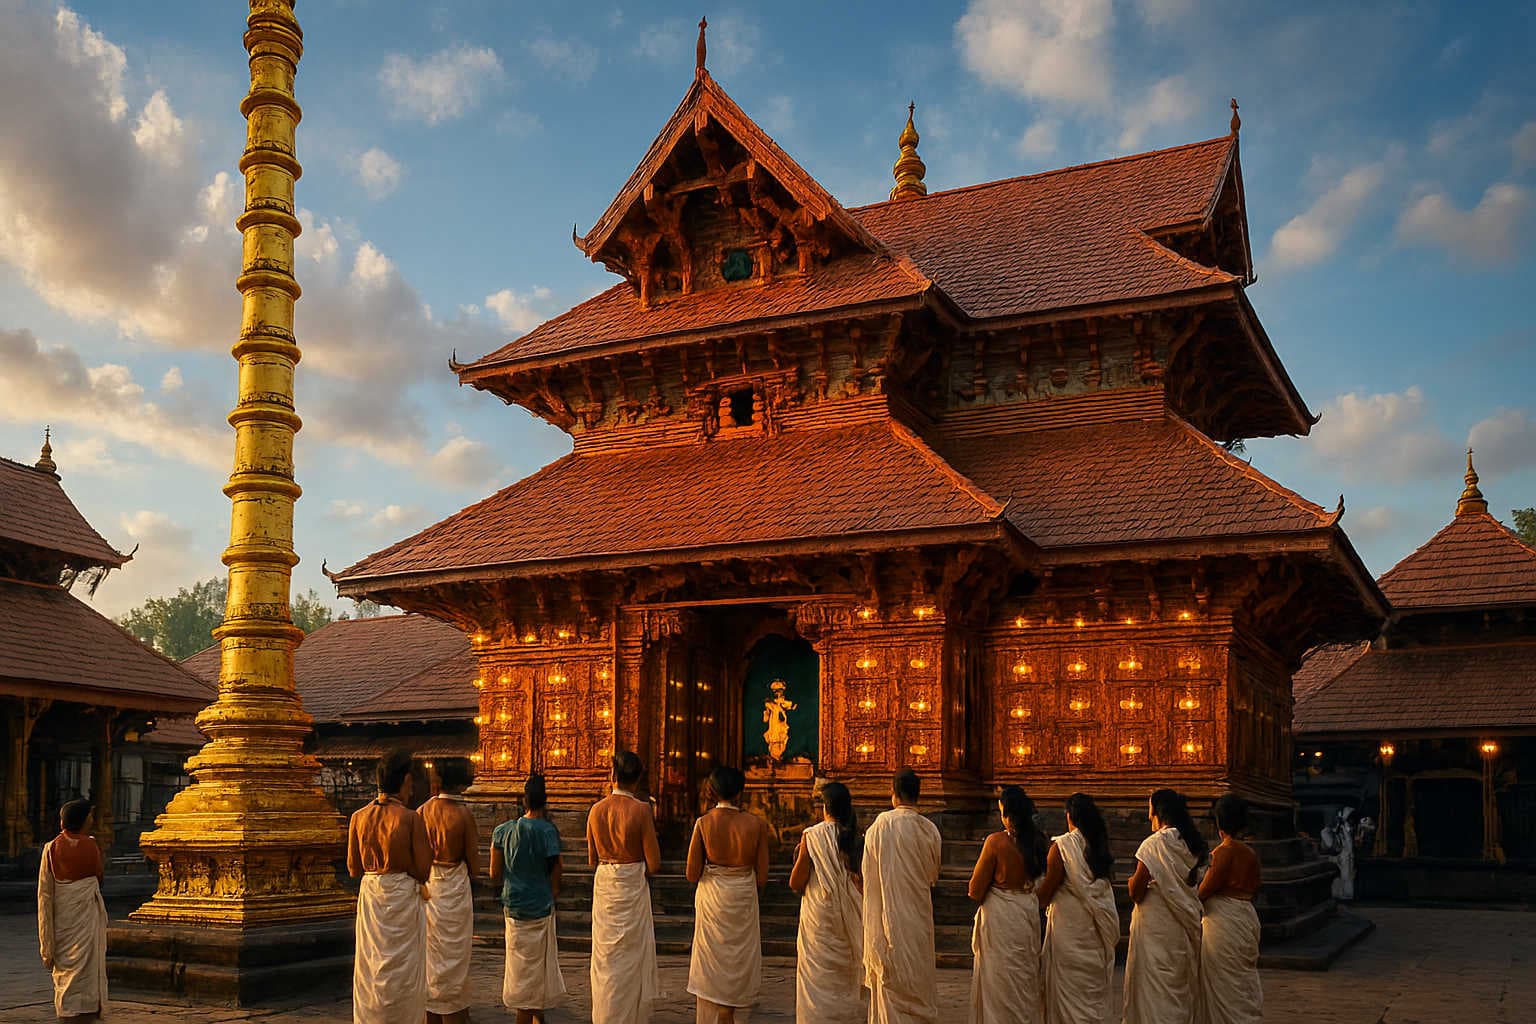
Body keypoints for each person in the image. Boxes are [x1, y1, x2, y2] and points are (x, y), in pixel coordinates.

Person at [348, 749, 432, 1024]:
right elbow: (423, 870)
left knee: (372, 968)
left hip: (372, 894)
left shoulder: (359, 817)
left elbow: (353, 868)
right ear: (406, 780)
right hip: (402, 897)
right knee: (403, 972)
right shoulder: (410, 818)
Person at [686, 765, 771, 1022]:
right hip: (742, 893)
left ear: (711, 791)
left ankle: (717, 1006)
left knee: (712, 955)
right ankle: (730, 1008)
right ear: (740, 792)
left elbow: (691, 873)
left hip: (713, 895)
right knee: (739, 957)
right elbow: (763, 875)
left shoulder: (703, 823)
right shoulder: (756, 824)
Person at [586, 750, 663, 1024]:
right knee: (630, 958)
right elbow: (654, 864)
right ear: (638, 778)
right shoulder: (641, 810)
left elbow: (592, 858)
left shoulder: (596, 810)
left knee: (606, 958)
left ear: (613, 775)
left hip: (606, 884)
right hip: (630, 886)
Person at [862, 767, 943, 1024]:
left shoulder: (878, 827)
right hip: (918, 917)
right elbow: (932, 874)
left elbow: (868, 874)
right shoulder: (929, 829)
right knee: (918, 975)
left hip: (887, 917)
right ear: (917, 795)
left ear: (893, 794)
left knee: (890, 977)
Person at [1122, 788, 1208, 1024]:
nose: (1148, 816)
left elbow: (1136, 891)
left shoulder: (1154, 845)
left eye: (1150, 809)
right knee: (1177, 987)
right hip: (1180, 928)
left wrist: (1132, 881)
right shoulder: (1192, 845)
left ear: (1158, 811)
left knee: (1155, 989)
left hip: (1156, 927)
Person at [967, 785, 1049, 1024]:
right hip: (1025, 914)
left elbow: (975, 889)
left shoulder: (996, 842)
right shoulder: (1038, 841)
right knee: (1023, 977)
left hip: (1001, 919)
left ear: (1007, 814)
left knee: (999, 981)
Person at [491, 773, 567, 1023]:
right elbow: (556, 866)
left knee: (519, 968)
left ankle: (533, 1015)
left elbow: (494, 873)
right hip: (540, 904)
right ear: (544, 801)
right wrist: (553, 891)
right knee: (538, 969)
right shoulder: (548, 831)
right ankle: (529, 1015)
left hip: (513, 904)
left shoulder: (503, 831)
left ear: (523, 801)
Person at [1038, 793, 1119, 1024]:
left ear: (1069, 817)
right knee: (1090, 994)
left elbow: (1046, 892)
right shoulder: (1099, 847)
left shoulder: (1062, 847)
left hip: (1069, 930)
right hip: (1094, 930)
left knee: (1068, 994)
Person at [789, 781, 865, 1023]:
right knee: (848, 970)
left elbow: (796, 882)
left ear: (825, 807)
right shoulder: (856, 837)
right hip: (852, 911)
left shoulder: (812, 836)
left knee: (817, 976)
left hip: (820, 914)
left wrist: (801, 855)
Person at [419, 760, 480, 1024]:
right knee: (455, 956)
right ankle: (453, 1010)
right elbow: (475, 866)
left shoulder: (421, 811)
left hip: (430, 885)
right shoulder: (463, 815)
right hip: (454, 887)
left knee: (430, 953)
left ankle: (431, 1010)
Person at [37, 799, 107, 1022]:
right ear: (84, 819)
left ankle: (68, 1014)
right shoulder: (92, 846)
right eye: (90, 816)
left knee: (66, 971)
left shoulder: (50, 849)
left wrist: (46, 943)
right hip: (84, 920)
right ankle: (87, 1012)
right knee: (87, 969)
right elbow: (98, 876)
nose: (93, 820)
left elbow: (44, 896)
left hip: (63, 923)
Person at [1196, 794, 1262, 1024]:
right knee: (1242, 982)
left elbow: (1204, 891)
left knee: (1224, 984)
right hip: (1244, 917)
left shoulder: (1223, 852)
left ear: (1219, 822)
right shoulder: (1250, 853)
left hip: (1225, 923)